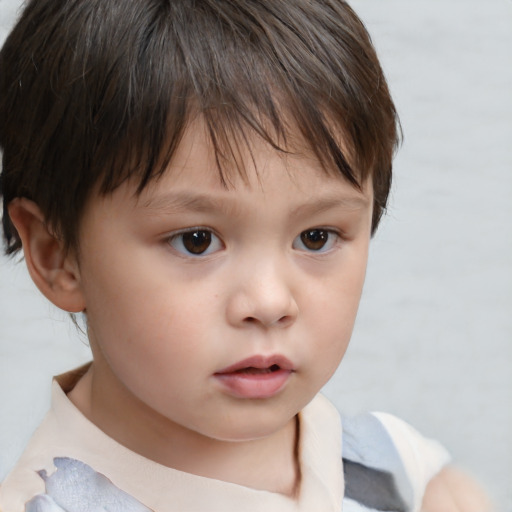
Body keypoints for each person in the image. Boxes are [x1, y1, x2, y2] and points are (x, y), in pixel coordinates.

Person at [0, 0, 491, 510]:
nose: (270, 301)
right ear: (56, 254)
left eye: (317, 237)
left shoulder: (404, 468)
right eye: (197, 240)